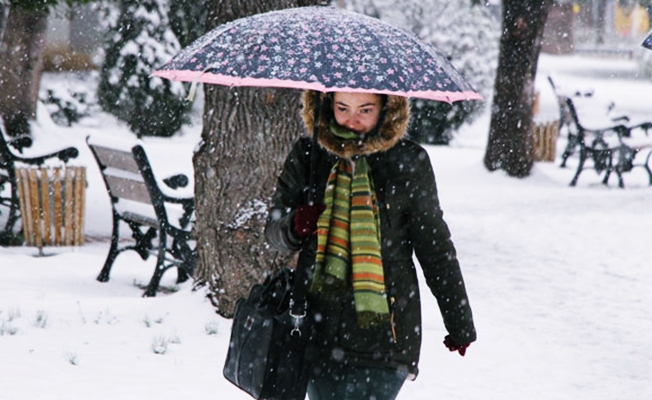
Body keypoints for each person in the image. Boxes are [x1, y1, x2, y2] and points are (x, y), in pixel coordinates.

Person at [265, 90, 476, 400]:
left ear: (387, 108)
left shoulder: (408, 162)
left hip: (386, 336)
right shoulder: (309, 155)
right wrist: (294, 225)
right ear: (324, 105)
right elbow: (272, 231)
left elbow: (435, 248)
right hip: (317, 331)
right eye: (342, 108)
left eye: (365, 109)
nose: (353, 120)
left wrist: (459, 322)